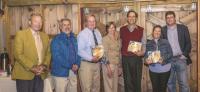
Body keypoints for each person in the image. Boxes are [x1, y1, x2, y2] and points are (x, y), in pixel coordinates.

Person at [12, 13, 51, 92]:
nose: (38, 24)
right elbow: (18, 54)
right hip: (24, 74)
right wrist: (32, 67)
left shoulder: (45, 36)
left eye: (40, 22)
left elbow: (48, 53)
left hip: (40, 74)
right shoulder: (21, 34)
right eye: (35, 21)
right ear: (30, 22)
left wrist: (44, 65)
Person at [162, 11, 191, 92]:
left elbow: (188, 43)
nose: (169, 19)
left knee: (183, 83)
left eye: (171, 17)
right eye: (167, 18)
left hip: (180, 59)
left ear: (175, 18)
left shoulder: (183, 28)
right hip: (168, 60)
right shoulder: (163, 30)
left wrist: (184, 55)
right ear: (166, 19)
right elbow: (161, 45)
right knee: (170, 83)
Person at [51, 18, 80, 92]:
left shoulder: (74, 38)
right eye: (64, 25)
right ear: (60, 27)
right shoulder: (56, 40)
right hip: (60, 73)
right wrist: (71, 66)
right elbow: (57, 57)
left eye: (68, 25)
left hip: (73, 71)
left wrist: (77, 64)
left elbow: (78, 53)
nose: (67, 27)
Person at [120, 10, 146, 92]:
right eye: (130, 16)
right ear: (127, 18)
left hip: (137, 59)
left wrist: (141, 53)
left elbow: (144, 44)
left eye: (133, 16)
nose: (131, 18)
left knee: (137, 81)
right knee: (127, 81)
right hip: (125, 59)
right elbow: (119, 44)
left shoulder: (142, 30)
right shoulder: (122, 29)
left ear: (136, 18)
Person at [78, 14, 102, 92]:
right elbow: (79, 50)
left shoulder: (97, 32)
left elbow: (100, 46)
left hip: (97, 64)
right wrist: (91, 58)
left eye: (93, 21)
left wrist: (100, 56)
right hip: (86, 65)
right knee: (87, 88)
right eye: (90, 21)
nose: (92, 23)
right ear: (86, 23)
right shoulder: (82, 34)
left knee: (96, 88)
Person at [144, 25, 173, 92]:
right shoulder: (148, 43)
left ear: (161, 33)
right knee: (155, 89)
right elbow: (145, 56)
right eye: (155, 31)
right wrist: (146, 61)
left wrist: (163, 58)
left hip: (165, 69)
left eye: (159, 31)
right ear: (153, 32)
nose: (157, 32)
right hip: (153, 70)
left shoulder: (165, 42)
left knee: (163, 88)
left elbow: (171, 54)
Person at [102, 22, 122, 92]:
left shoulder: (117, 39)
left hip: (116, 65)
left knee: (115, 87)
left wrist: (119, 66)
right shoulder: (105, 39)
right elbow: (103, 55)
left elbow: (119, 53)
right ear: (107, 29)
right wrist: (108, 68)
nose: (112, 29)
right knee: (109, 87)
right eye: (110, 28)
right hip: (108, 65)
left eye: (113, 27)